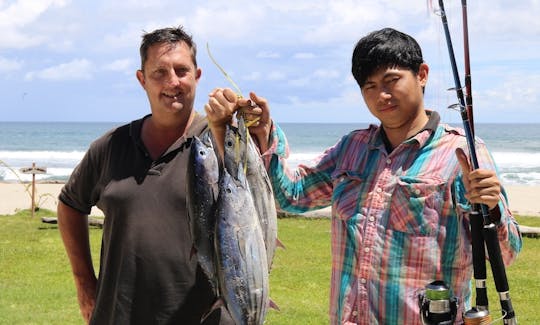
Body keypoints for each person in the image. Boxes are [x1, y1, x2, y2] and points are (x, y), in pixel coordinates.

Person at [212, 27, 522, 324]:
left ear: (422, 75)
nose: (382, 95)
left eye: (391, 80)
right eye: (369, 86)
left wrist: (491, 205)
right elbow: (291, 194)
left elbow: (507, 253)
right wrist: (263, 131)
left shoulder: (461, 154)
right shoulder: (352, 148)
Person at [57, 26, 237, 324]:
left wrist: (246, 124)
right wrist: (85, 285)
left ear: (197, 75)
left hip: (208, 317)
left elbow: (263, 181)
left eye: (182, 70)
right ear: (142, 80)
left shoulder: (220, 142)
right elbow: (70, 206)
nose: (173, 82)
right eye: (159, 73)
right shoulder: (111, 146)